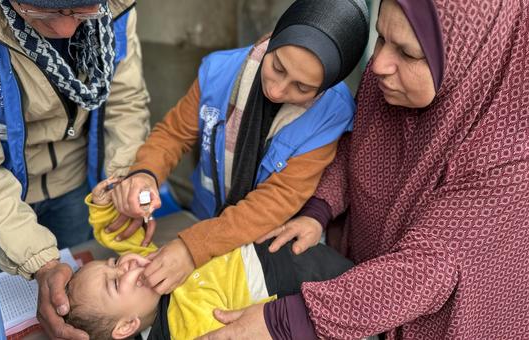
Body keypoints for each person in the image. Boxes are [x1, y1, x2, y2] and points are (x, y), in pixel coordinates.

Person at [196, 0, 529, 339]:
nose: (380, 63)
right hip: (359, 292)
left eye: (408, 53)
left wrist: (286, 320)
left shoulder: (509, 152)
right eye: (381, 38)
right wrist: (319, 209)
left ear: (472, 57)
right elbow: (357, 147)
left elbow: (425, 270)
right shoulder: (385, 82)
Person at [108, 0, 370, 298]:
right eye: (277, 67)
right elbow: (173, 134)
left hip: (264, 248)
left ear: (327, 85)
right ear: (272, 39)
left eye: (302, 88)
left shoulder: (331, 115)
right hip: (204, 215)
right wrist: (145, 174)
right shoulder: (219, 72)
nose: (277, 90)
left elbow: (274, 202)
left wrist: (193, 247)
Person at [0, 0, 150, 338]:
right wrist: (39, 262)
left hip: (76, 182)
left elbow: (126, 106)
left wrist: (122, 183)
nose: (66, 29)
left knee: (82, 304)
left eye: (84, 11)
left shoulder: (117, 9)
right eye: (44, 13)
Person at [64, 177, 354, 340]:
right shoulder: (183, 328)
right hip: (301, 284)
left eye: (112, 263)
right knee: (359, 305)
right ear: (127, 326)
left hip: (289, 250)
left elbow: (121, 237)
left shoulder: (153, 267)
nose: (124, 265)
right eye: (116, 283)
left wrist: (104, 207)